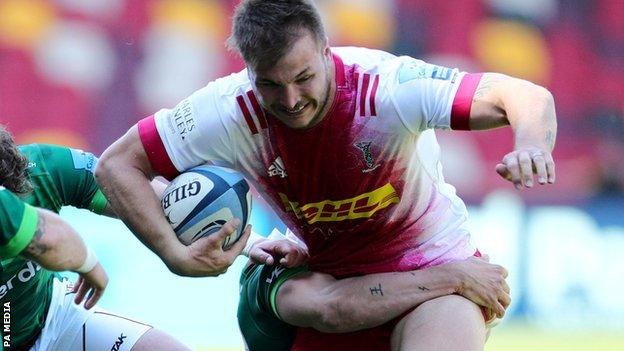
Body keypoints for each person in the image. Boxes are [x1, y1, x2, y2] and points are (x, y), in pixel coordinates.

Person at [96, 0, 557, 349]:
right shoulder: (226, 110)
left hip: (433, 269)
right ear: (248, 72)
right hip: (324, 280)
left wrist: (531, 146)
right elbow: (116, 165)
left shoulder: (387, 88)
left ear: (324, 50)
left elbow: (525, 97)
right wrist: (174, 253)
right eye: (271, 85)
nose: (292, 99)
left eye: (303, 76)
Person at [0, 126, 191, 351]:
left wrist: (234, 240)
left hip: (53, 316)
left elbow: (142, 196)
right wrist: (89, 266)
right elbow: (55, 240)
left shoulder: (39, 168)